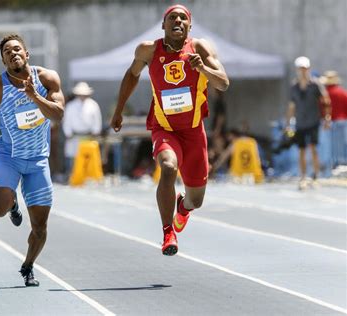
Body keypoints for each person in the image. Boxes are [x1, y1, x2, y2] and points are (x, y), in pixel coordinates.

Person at [110, 4, 229, 256]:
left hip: (194, 131)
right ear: (163, 25)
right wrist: (119, 110)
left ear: (189, 26)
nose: (177, 21)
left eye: (183, 18)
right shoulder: (148, 50)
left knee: (196, 200)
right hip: (164, 128)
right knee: (167, 166)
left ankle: (182, 208)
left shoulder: (199, 49)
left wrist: (202, 69)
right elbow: (131, 75)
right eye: (172, 18)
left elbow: (224, 84)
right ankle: (168, 232)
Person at [0, 34, 65, 286]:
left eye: (17, 49)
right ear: (3, 61)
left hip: (38, 161)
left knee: (40, 227)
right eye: (7, 52)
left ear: (27, 54)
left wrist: (35, 96)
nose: (13, 54)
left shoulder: (47, 79)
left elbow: (58, 115)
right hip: (9, 156)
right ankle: (12, 204)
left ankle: (28, 266)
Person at [286, 56, 330, 189]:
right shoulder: (294, 87)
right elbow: (291, 107)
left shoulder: (315, 84)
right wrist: (288, 123)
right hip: (300, 122)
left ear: (308, 68)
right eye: (300, 68)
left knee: (313, 148)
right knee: (301, 150)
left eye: (305, 68)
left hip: (313, 121)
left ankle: (316, 176)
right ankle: (303, 177)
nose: (303, 71)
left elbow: (326, 101)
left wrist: (327, 117)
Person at [62, 81, 102, 177]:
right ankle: (73, 177)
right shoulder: (70, 106)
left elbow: (97, 120)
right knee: (73, 158)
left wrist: (95, 132)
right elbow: (66, 121)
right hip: (74, 137)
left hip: (88, 137)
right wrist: (68, 133)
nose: (82, 96)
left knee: (88, 158)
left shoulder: (93, 105)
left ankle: (87, 177)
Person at [320, 71, 347, 167]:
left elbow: (322, 107)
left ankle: (333, 163)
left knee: (330, 144)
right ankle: (342, 162)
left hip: (329, 121)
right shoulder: (343, 92)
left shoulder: (325, 94)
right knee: (342, 143)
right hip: (342, 121)